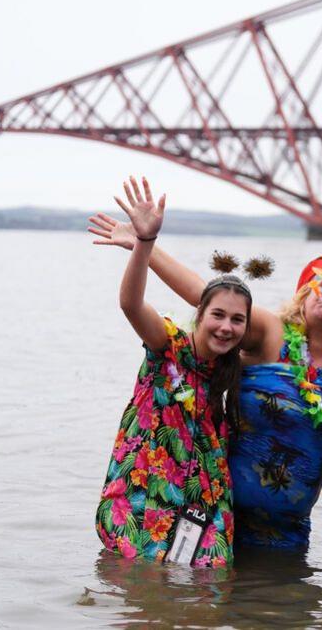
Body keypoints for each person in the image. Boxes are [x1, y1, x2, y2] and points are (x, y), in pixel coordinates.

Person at [88, 178, 322, 551]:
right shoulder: (269, 330)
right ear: (304, 294)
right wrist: (145, 245)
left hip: (290, 532)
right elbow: (209, 297)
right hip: (220, 513)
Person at [95, 178, 244, 568]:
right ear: (200, 314)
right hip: (141, 495)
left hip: (205, 504)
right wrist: (145, 244)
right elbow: (130, 303)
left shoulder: (234, 368)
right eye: (218, 315)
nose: (226, 326)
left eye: (237, 319)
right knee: (135, 596)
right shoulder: (168, 345)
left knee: (205, 598)